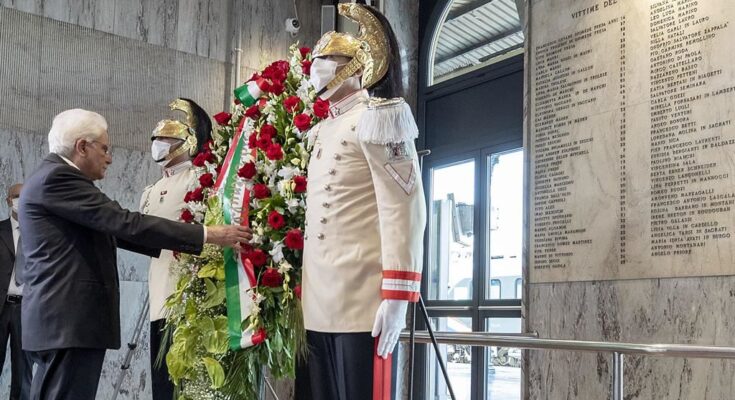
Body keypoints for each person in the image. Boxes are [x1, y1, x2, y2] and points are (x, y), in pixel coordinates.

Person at [18, 108, 251, 400]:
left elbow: (114, 231)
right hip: (68, 322)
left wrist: (182, 244)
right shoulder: (60, 178)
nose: (109, 157)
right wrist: (208, 234)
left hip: (63, 324)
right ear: (81, 146)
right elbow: (124, 222)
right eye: (104, 149)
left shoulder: (51, 177)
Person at [299, 4, 426, 399]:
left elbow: (403, 208)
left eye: (326, 59)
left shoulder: (378, 118)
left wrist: (397, 296)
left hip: (361, 297)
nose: (315, 67)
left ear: (355, 66)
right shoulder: (323, 129)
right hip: (319, 297)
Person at [139, 98, 211, 400]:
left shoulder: (199, 179)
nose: (159, 144)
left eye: (166, 138)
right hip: (158, 293)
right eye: (156, 139)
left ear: (185, 141)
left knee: (187, 381)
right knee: (162, 382)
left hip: (188, 293)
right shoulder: (150, 191)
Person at [0, 184, 33, 400]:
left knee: (23, 374)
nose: (21, 200)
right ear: (8, 200)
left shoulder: (39, 235)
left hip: (27, 310)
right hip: (1, 308)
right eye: (17, 196)